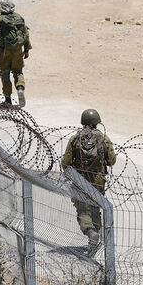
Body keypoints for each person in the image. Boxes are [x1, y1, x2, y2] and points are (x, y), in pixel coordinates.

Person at [60, 109, 116, 257]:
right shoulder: (104, 138)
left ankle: (91, 234)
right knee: (95, 208)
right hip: (98, 181)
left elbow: (65, 163)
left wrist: (73, 174)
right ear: (97, 122)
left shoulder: (75, 139)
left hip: (80, 180)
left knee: (83, 210)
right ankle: (96, 237)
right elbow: (112, 161)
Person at [0, 0, 31, 107]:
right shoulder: (19, 18)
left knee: (5, 73)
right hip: (18, 50)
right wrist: (26, 49)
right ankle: (20, 88)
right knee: (18, 72)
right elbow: (25, 34)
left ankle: (8, 99)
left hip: (4, 51)